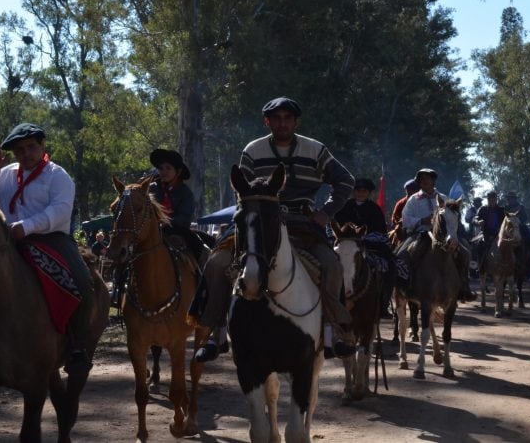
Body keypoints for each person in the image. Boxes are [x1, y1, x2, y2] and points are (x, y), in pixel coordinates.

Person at [195, 96, 357, 362]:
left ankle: (336, 331)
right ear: (266, 121)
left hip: (302, 223)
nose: (282, 123)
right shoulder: (253, 150)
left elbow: (345, 181)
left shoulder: (315, 149)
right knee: (216, 262)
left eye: (287, 118)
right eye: (276, 118)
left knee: (332, 264)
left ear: (296, 122)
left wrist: (325, 213)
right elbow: (242, 190)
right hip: (257, 224)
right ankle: (214, 332)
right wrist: (249, 216)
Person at [0, 122, 95, 377]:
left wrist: (27, 226)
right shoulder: (4, 174)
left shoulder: (58, 176)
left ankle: (78, 346)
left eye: (31, 148)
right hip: (7, 242)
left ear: (42, 146)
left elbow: (60, 211)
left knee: (83, 284)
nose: (26, 154)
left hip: (51, 239)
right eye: (20, 151)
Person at [398, 168, 476, 302]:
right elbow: (405, 219)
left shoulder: (445, 198)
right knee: (401, 254)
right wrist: (422, 220)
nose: (424, 181)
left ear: (433, 181)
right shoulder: (413, 200)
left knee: (465, 253)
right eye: (421, 179)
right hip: (420, 234)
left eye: (427, 178)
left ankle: (464, 287)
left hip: (443, 236)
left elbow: (454, 218)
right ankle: (406, 286)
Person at [334, 178, 394, 318]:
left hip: (370, 246)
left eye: (364, 191)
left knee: (391, 267)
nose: (361, 193)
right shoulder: (344, 206)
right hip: (343, 245)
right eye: (358, 190)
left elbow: (381, 233)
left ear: (369, 193)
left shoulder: (375, 209)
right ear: (353, 191)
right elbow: (333, 227)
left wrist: (364, 238)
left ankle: (383, 304)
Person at [148, 148, 208, 263]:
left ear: (178, 171)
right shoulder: (151, 188)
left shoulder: (186, 193)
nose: (163, 171)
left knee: (200, 249)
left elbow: (185, 217)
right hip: (151, 229)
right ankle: (120, 278)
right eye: (161, 168)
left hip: (176, 230)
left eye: (168, 168)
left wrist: (167, 222)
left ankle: (202, 277)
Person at [474, 190, 505, 276]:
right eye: (489, 199)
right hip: (486, 234)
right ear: (487, 200)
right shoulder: (482, 209)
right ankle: (480, 267)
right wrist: (478, 221)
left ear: (496, 199)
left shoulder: (502, 210)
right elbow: (475, 219)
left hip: (499, 235)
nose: (491, 201)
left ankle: (513, 266)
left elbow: (506, 222)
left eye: (493, 199)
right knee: (480, 245)